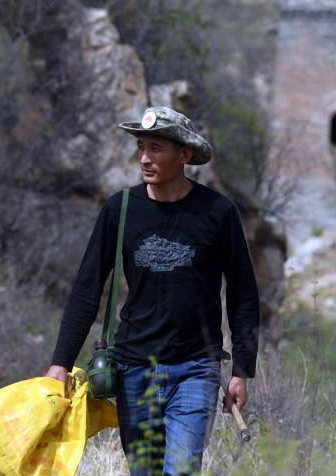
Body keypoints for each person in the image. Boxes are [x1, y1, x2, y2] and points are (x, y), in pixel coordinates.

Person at [44, 106, 260, 475]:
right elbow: (87, 288)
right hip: (133, 369)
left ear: (184, 155)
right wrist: (60, 364)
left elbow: (243, 293)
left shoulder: (218, 213)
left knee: (181, 470)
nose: (144, 158)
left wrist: (241, 370)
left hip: (196, 369)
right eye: (141, 147)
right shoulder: (120, 209)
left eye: (156, 148)